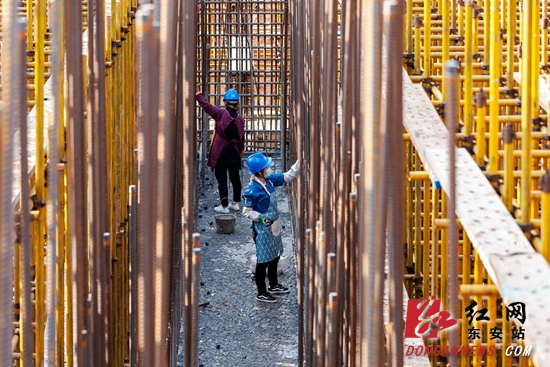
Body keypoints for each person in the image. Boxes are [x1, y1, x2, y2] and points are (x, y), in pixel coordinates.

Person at [242, 152, 300, 303]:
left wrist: (301, 161)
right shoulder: (252, 190)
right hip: (261, 230)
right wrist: (260, 217)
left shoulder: (269, 180)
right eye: (266, 167)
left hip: (274, 226)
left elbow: (288, 176)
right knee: (263, 261)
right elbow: (246, 211)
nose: (268, 169)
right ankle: (261, 291)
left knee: (274, 256)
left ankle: (274, 285)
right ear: (259, 171)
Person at [196, 85, 245, 214]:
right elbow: (241, 138)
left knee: (222, 178)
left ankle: (224, 206)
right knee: (235, 178)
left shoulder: (220, 113)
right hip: (234, 152)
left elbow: (207, 106)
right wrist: (240, 151)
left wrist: (198, 94)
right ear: (237, 102)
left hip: (221, 152)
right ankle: (235, 203)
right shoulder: (240, 119)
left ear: (225, 101)